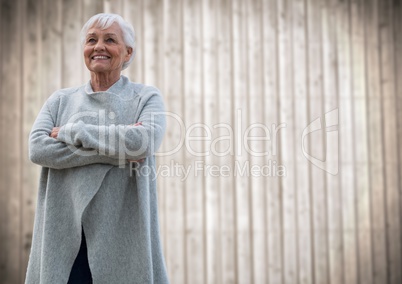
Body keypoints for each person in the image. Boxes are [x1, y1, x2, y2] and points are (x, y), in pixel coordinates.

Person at [25, 13, 169, 284]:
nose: (99, 46)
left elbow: (143, 142)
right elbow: (38, 148)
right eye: (92, 40)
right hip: (65, 240)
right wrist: (119, 154)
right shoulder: (60, 100)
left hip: (122, 240)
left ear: (127, 53)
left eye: (110, 40)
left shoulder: (146, 97)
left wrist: (72, 132)